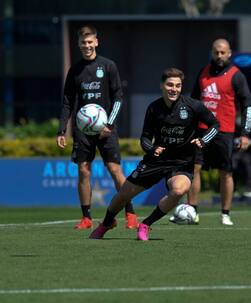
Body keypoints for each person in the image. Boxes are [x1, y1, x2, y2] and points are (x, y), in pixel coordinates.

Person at [89, 67, 219, 241]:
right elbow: (145, 138)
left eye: (178, 86)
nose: (174, 89)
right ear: (162, 86)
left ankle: (146, 224)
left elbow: (215, 124)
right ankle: (106, 223)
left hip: (181, 163)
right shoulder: (153, 108)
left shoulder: (193, 106)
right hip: (155, 161)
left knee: (179, 189)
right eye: (170, 85)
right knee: (123, 195)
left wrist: (204, 140)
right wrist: (151, 148)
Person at [56, 25, 138, 229]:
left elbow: (118, 97)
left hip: (106, 129)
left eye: (90, 42)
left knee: (114, 169)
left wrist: (109, 124)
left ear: (96, 42)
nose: (87, 46)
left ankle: (130, 214)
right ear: (79, 44)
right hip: (83, 131)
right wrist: (62, 129)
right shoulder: (74, 71)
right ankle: (86, 218)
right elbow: (67, 101)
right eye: (83, 42)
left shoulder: (108, 66)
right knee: (83, 171)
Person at [185, 38, 251, 226]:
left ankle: (225, 214)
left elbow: (247, 105)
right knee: (194, 168)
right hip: (201, 129)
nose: (219, 55)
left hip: (224, 131)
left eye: (223, 52)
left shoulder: (236, 75)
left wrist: (245, 133)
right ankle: (192, 211)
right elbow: (193, 101)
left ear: (229, 53)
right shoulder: (203, 73)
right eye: (216, 52)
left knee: (226, 172)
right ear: (212, 52)